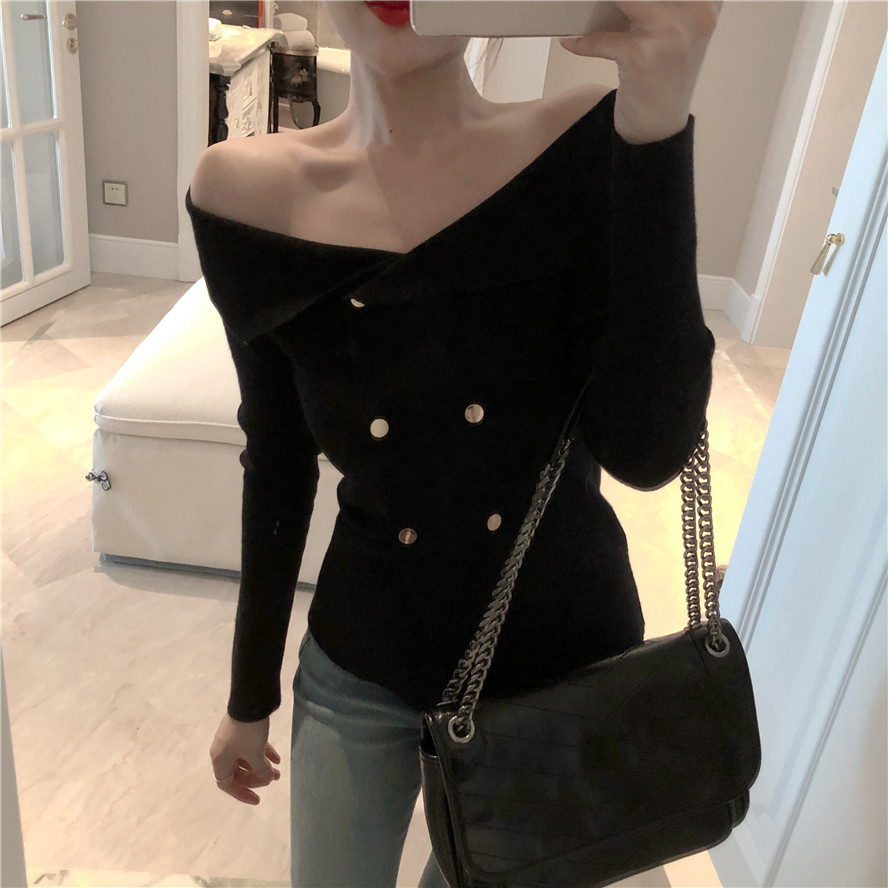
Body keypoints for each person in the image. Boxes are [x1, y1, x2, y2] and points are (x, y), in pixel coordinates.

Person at [186, 1, 723, 885]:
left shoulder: (583, 138)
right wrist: (250, 696)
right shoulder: (244, 193)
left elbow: (648, 450)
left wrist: (660, 124)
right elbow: (276, 457)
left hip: (561, 668)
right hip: (364, 659)